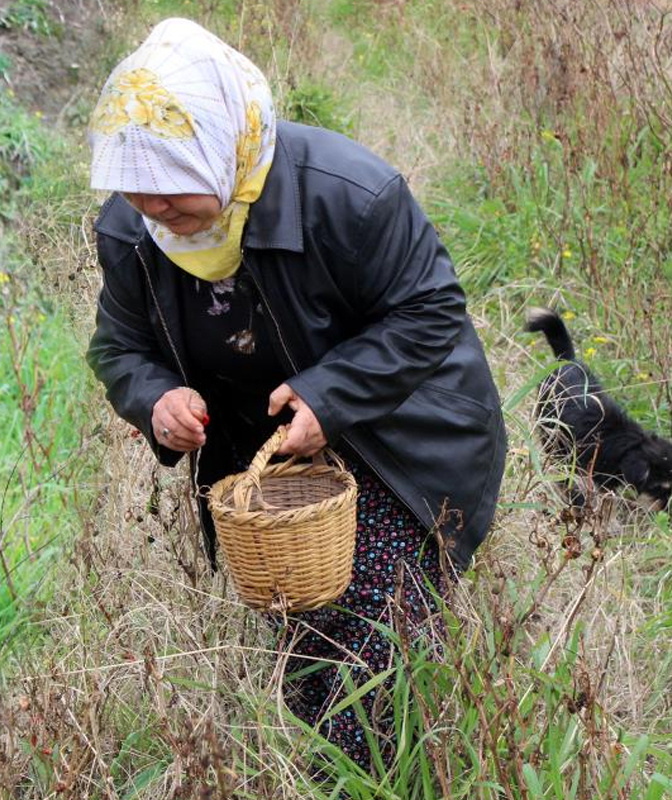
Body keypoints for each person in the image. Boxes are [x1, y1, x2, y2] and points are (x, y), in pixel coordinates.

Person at [86, 19, 506, 772]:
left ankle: (371, 776)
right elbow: (118, 345)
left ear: (224, 149)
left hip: (398, 433)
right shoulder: (131, 229)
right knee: (307, 626)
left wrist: (330, 397)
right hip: (270, 455)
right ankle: (329, 759)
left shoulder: (350, 196)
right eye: (136, 192)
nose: (152, 211)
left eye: (170, 193)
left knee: (373, 637)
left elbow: (432, 312)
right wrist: (154, 398)